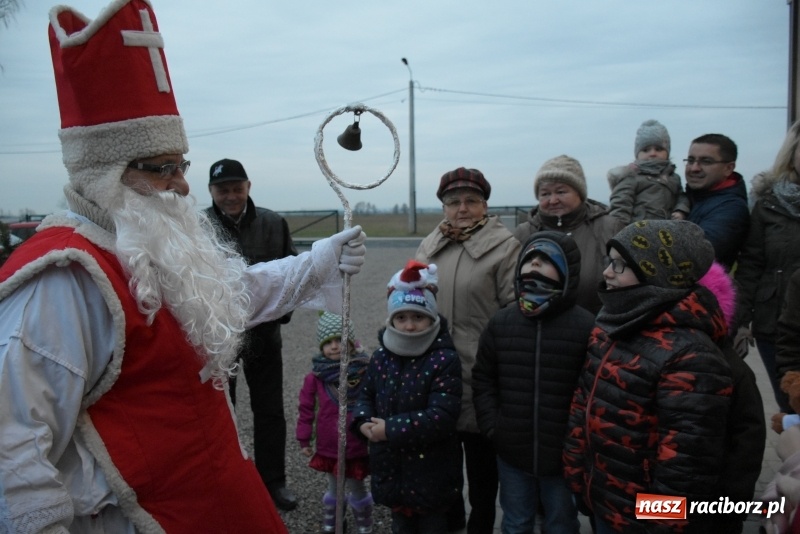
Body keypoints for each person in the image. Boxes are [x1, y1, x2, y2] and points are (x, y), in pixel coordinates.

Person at [0, 2, 366, 532]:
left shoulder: (140, 241)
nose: (183, 185)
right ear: (109, 174)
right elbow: (13, 452)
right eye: (165, 168)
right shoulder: (63, 277)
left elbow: (232, 294)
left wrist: (317, 262)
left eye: (182, 165)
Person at [563, 220, 734, 534]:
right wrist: (577, 471)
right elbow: (583, 404)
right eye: (608, 262)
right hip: (604, 499)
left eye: (620, 265)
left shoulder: (691, 356)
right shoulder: (612, 326)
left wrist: (662, 523)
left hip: (642, 519)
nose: (607, 273)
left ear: (657, 273)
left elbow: (686, 465)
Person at [415, 167, 520, 533]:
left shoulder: (505, 247)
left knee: (481, 468)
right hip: (436, 372)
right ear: (444, 207)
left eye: (471, 201)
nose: (463, 208)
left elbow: (512, 312)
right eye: (454, 201)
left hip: (482, 373)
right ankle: (449, 521)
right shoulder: (430, 245)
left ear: (484, 205)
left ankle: (481, 524)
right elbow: (413, 299)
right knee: (442, 464)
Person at [472, 231, 594, 534]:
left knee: (561, 522)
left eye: (546, 260)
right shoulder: (502, 322)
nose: (534, 265)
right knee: (515, 521)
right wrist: (493, 425)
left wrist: (581, 436)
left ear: (567, 271)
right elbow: (483, 377)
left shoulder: (586, 326)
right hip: (512, 449)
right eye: (529, 259)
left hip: (564, 454)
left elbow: (594, 387)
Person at [204, 157, 299, 510]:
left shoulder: (274, 223)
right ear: (211, 191)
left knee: (270, 410)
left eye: (237, 188)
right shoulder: (196, 227)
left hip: (263, 334)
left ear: (249, 187)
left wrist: (280, 315)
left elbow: (293, 272)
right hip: (217, 338)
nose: (231, 196)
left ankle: (272, 482)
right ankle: (224, 483)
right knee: (219, 412)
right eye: (223, 189)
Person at [352, 260, 463, 534]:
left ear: (432, 317)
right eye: (401, 318)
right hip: (392, 469)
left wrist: (390, 429)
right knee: (401, 526)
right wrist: (362, 421)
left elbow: (442, 416)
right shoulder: (381, 357)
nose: (410, 326)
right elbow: (365, 394)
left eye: (418, 317)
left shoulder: (444, 359)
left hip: (432, 473)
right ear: (391, 320)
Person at [736, 122, 800, 411]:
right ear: (792, 153)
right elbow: (751, 264)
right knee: (790, 407)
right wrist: (739, 320)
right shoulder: (768, 204)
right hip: (775, 326)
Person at [514, 155, 624, 315]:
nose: (553, 200)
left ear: (580, 193)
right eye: (545, 194)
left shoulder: (610, 227)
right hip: (539, 332)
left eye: (561, 192)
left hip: (598, 330)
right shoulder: (524, 233)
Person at [297, 312, 372, 534]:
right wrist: (304, 438)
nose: (334, 346)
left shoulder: (364, 370)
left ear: (351, 343)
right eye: (328, 342)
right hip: (329, 445)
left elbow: (374, 401)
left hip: (357, 443)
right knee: (335, 487)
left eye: (340, 340)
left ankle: (364, 523)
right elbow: (306, 408)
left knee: (357, 485)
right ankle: (335, 520)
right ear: (321, 347)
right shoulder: (315, 378)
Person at [684, 133, 749, 270]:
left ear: (728, 168)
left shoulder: (732, 208)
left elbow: (697, 253)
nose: (694, 168)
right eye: (690, 160)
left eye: (706, 161)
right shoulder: (687, 198)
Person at [607, 119, 690, 224]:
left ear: (667, 152)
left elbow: (681, 197)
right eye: (646, 150)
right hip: (639, 232)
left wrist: (680, 210)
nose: (652, 153)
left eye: (658, 149)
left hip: (668, 232)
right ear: (637, 154)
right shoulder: (631, 176)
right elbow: (620, 205)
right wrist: (620, 230)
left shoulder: (673, 177)